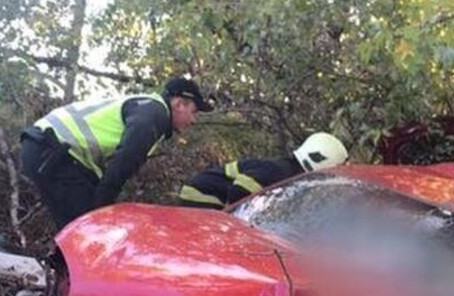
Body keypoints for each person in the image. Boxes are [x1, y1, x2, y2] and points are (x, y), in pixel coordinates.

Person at [20, 76, 214, 229]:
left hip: (48, 149)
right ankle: (80, 277)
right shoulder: (154, 115)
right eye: (194, 111)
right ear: (179, 104)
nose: (194, 120)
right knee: (89, 228)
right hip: (51, 149)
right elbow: (124, 162)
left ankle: (65, 274)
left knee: (77, 227)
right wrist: (101, 208)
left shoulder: (147, 108)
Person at [177, 132, 348, 209]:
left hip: (205, 194)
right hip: (202, 196)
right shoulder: (281, 172)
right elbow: (240, 190)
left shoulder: (288, 170)